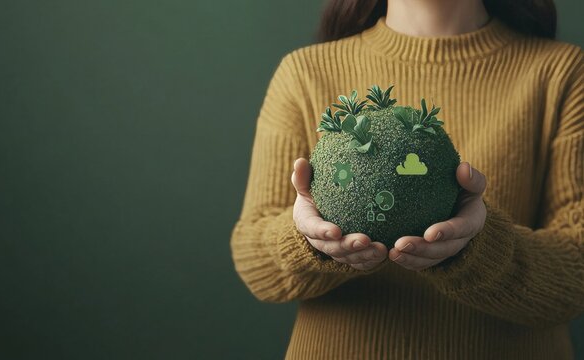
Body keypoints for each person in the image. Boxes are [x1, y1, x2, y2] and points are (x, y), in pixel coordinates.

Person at [230, 0, 583, 358]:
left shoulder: (563, 73)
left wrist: (475, 247)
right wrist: (308, 239)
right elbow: (255, 262)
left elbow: (578, 274)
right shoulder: (304, 72)